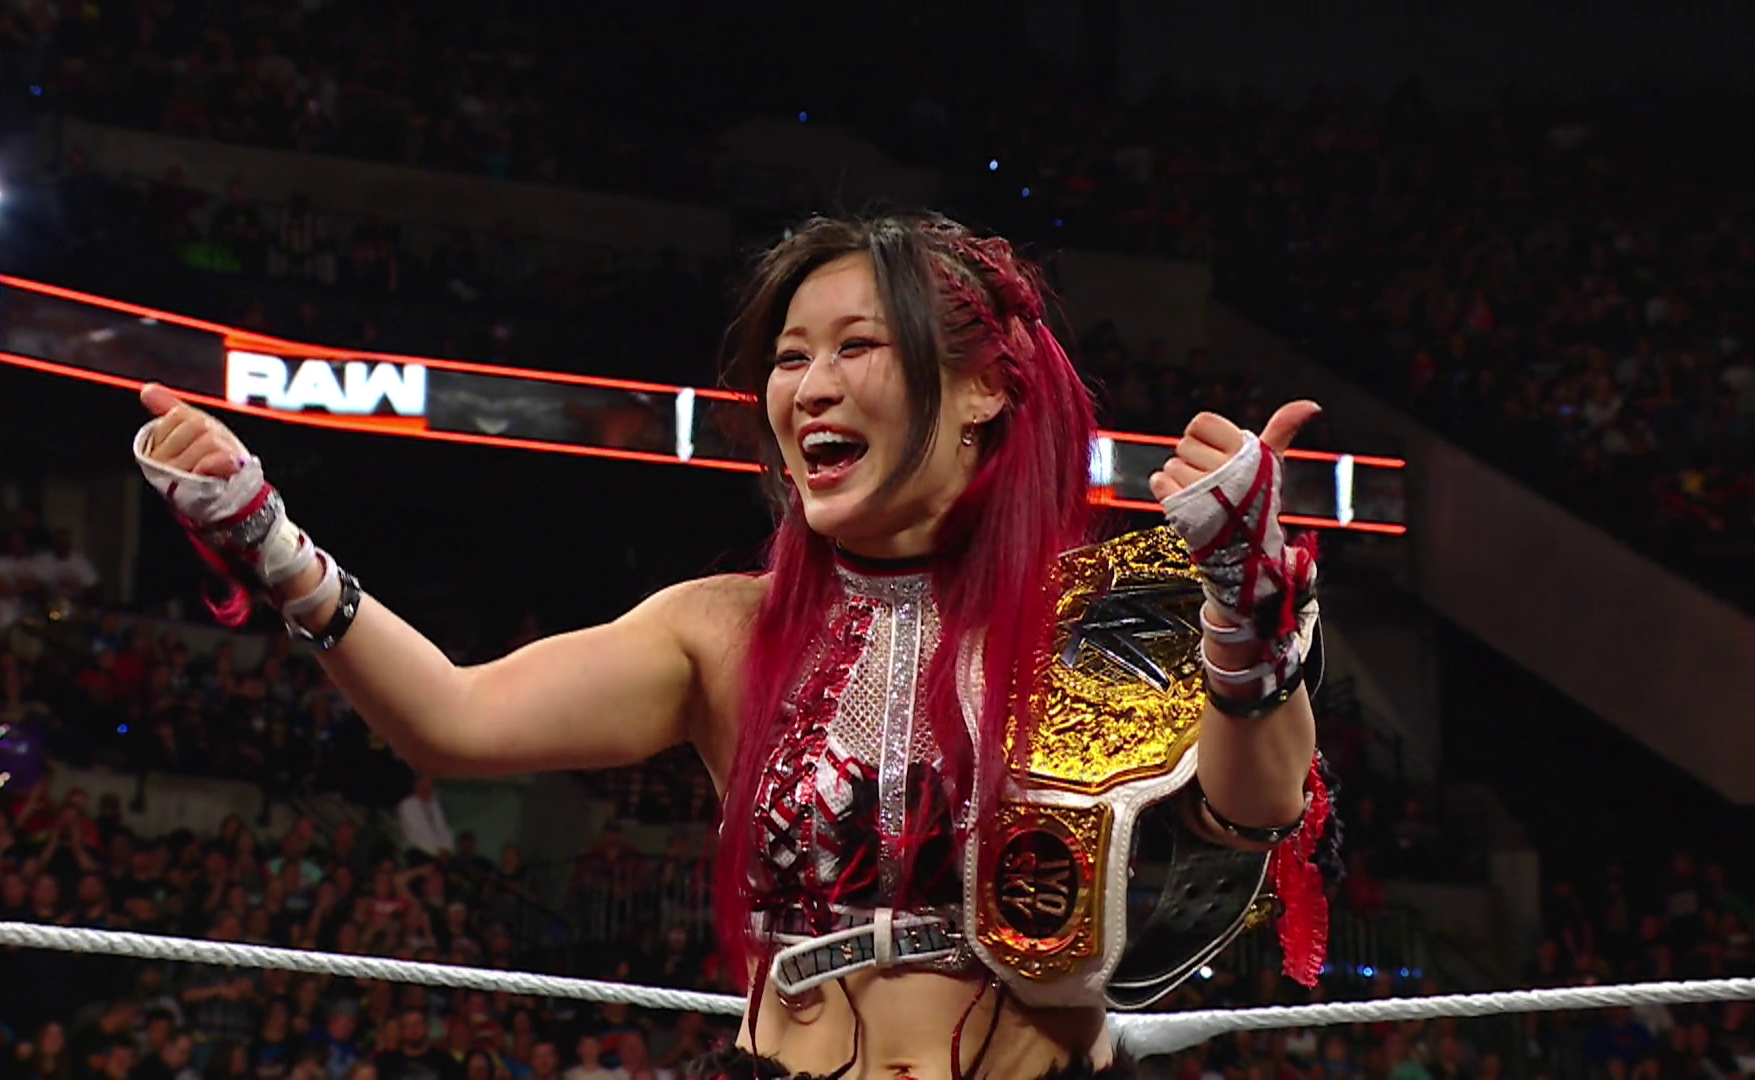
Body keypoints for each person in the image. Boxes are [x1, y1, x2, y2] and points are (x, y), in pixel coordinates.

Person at [132, 212, 1332, 1080]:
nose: (809, 386)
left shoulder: (1095, 609)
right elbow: (455, 718)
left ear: (982, 391)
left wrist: (1248, 596)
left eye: (855, 347)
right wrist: (272, 544)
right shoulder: (723, 629)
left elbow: (1261, 803)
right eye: (791, 356)